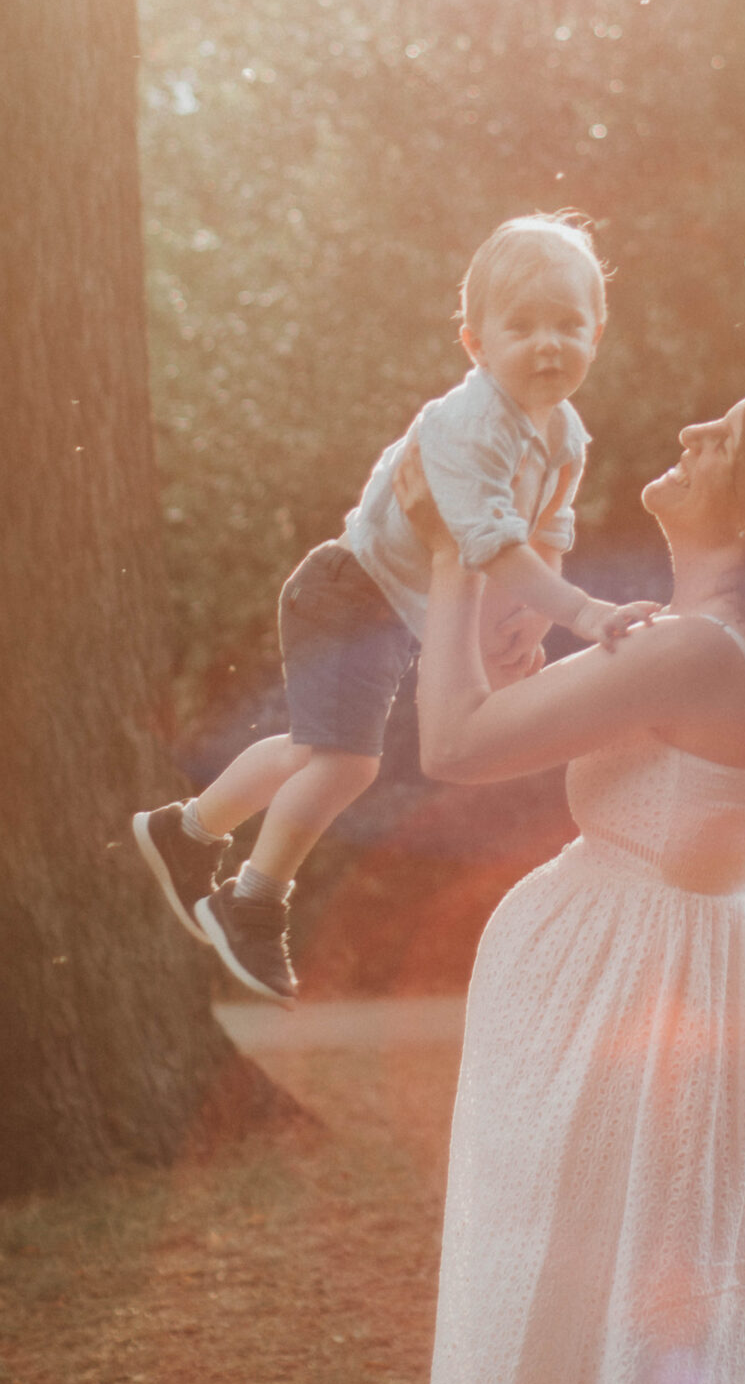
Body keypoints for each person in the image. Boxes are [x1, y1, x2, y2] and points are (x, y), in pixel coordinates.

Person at [398, 360, 745, 1384]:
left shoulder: (694, 651)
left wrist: (451, 551)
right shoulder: (710, 642)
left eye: (729, 434)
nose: (692, 429)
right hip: (668, 1013)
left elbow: (452, 745)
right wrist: (516, 661)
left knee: (626, 1364)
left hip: (642, 1031)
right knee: (620, 1358)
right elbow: (564, 735)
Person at [132, 213, 652, 1001]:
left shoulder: (565, 434)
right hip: (347, 591)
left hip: (388, 610)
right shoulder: (472, 425)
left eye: (567, 326)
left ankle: (186, 831)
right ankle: (251, 902)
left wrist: (531, 619)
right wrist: (580, 613)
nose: (547, 344)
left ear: (597, 333)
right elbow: (488, 545)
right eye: (520, 327)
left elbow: (545, 532)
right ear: (475, 343)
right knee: (346, 762)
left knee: (316, 751)